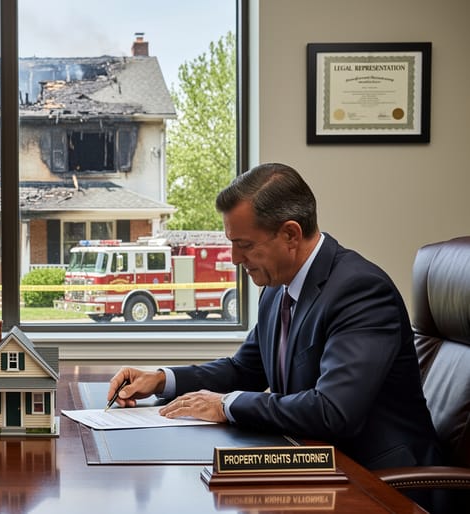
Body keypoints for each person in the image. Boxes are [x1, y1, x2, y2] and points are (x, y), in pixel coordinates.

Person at [107, 162, 441, 471]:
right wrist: (163, 379)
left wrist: (224, 406)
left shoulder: (360, 290)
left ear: (291, 235)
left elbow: (333, 412)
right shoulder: (277, 288)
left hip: (379, 479)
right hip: (314, 462)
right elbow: (246, 370)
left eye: (245, 245)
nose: (235, 257)